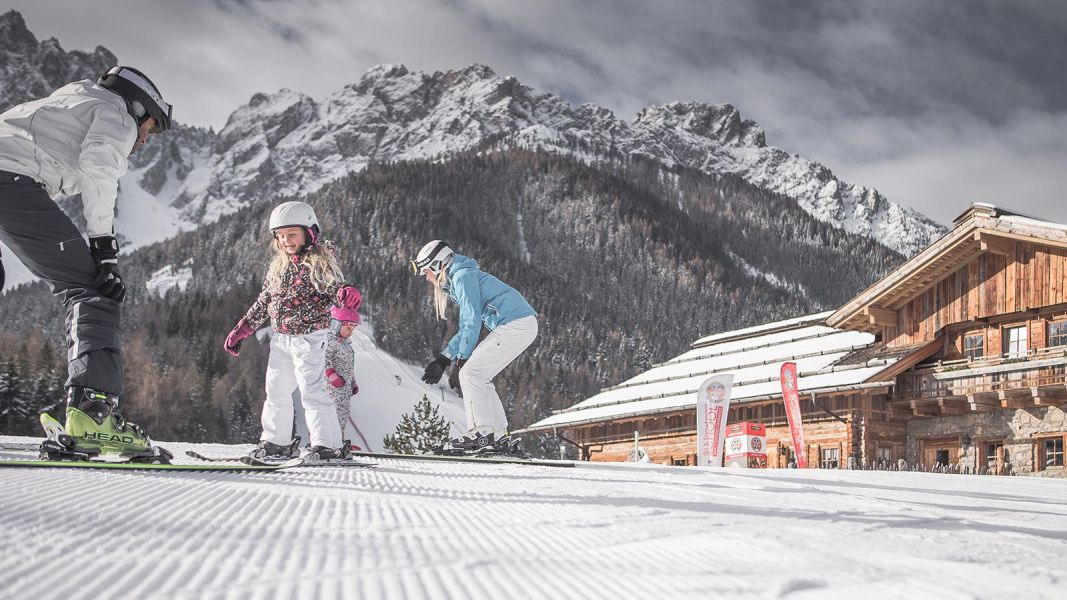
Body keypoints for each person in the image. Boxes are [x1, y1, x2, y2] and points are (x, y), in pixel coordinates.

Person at [0, 66, 172, 459]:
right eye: (149, 128)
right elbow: (99, 172)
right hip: (9, 181)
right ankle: (93, 417)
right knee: (92, 289)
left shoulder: (73, 99)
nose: (144, 139)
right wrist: (105, 252)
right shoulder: (116, 113)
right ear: (138, 108)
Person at [224, 201, 356, 462]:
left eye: (292, 234)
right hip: (282, 339)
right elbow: (264, 302)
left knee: (313, 391)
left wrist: (345, 293)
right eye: (281, 236)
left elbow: (334, 289)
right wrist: (242, 330)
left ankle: (328, 445)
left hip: (310, 338)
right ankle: (277, 442)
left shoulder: (318, 263)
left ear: (309, 233)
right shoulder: (278, 267)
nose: (286, 241)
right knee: (276, 390)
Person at [412, 240, 538, 454]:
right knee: (479, 376)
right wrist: (445, 359)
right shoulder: (461, 276)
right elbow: (468, 325)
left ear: (437, 265)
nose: (426, 277)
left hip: (516, 323)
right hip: (522, 323)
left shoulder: (461, 277)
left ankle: (480, 435)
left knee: (472, 373)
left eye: (426, 271)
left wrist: (461, 360)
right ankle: (498, 436)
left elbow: (471, 321)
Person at [325, 287, 363, 449]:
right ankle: (325, 442)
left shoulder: (346, 344)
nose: (351, 332)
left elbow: (349, 366)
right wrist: (331, 375)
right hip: (331, 389)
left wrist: (353, 382)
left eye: (353, 328)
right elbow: (323, 360)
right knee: (330, 414)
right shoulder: (329, 341)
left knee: (342, 413)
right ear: (335, 324)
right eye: (348, 327)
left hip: (344, 388)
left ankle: (338, 441)